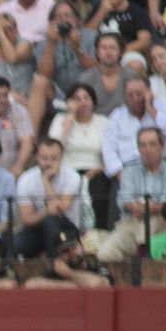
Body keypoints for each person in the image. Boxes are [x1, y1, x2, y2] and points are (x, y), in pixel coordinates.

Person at [102, 126, 166, 258]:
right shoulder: (129, 171)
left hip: (162, 222)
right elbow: (124, 199)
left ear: (162, 147)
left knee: (148, 222)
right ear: (138, 149)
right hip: (132, 221)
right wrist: (135, 206)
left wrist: (147, 207)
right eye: (142, 145)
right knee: (106, 253)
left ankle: (144, 260)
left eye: (152, 144)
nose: (147, 149)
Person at [50, 82, 112, 227]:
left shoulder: (103, 122)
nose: (83, 102)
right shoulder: (60, 120)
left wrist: (100, 168)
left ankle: (98, 231)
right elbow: (54, 149)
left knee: (99, 187)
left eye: (86, 98)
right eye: (77, 99)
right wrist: (70, 117)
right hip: (68, 170)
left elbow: (110, 153)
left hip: (95, 170)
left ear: (93, 101)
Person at [29, 1, 99, 129]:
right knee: (39, 81)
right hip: (58, 97)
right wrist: (51, 44)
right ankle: (31, 136)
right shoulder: (44, 44)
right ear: (51, 23)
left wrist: (77, 48)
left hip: (87, 92)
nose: (64, 20)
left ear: (77, 20)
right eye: (58, 17)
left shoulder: (91, 37)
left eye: (68, 15)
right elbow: (44, 74)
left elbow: (97, 70)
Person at [13, 136, 83, 259]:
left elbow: (60, 210)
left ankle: (55, 263)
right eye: (44, 158)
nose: (49, 163)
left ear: (61, 158)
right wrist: (46, 211)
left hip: (68, 229)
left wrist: (46, 181)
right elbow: (27, 219)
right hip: (38, 229)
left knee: (50, 220)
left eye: (54, 158)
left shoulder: (72, 176)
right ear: (37, 157)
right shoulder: (26, 179)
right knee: (14, 243)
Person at [25, 222, 115, 286]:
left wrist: (70, 274)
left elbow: (98, 284)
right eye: (65, 251)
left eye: (74, 247)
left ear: (82, 247)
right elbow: (31, 284)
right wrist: (75, 284)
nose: (71, 253)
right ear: (59, 256)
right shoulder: (55, 275)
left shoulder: (96, 270)